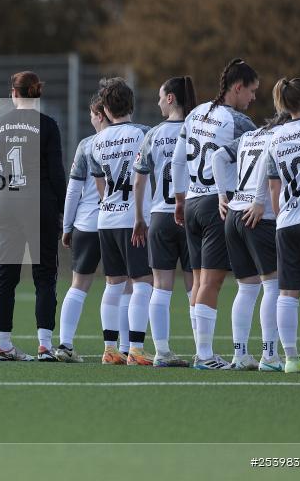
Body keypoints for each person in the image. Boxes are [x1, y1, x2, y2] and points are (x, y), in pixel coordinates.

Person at [173, 58, 258, 369]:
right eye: (251, 91)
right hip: (216, 205)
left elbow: (177, 161)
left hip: (193, 202)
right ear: (237, 87)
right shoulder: (238, 122)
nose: (253, 98)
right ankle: (205, 356)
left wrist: (179, 200)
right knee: (212, 282)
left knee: (198, 281)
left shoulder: (195, 113)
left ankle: (202, 351)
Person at [0, 71, 66, 361]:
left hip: (8, 204)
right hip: (40, 204)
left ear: (13, 93)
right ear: (37, 92)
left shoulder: (0, 125)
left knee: (6, 277)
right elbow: (56, 173)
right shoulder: (48, 125)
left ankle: (3, 344)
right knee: (45, 277)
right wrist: (63, 211)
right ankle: (44, 344)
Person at [211, 111, 288, 371]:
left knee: (246, 289)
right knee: (273, 287)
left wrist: (222, 195)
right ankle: (269, 356)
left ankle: (240, 354)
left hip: (233, 213)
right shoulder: (281, 136)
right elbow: (268, 161)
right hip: (258, 217)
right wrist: (259, 200)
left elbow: (218, 156)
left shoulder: (249, 135)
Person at [86, 78, 154, 366]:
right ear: (131, 104)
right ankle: (136, 349)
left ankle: (110, 348)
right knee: (143, 282)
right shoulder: (143, 133)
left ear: (105, 109)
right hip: (132, 217)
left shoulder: (95, 142)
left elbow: (100, 184)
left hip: (107, 217)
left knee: (113, 284)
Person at [131, 76, 197, 367]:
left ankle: (161, 351)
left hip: (160, 216)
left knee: (160, 286)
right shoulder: (197, 129)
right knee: (196, 284)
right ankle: (202, 351)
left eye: (160, 96)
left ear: (170, 98)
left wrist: (139, 218)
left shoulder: (154, 134)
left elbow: (139, 180)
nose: (158, 102)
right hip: (191, 214)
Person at [263, 77, 300, 373]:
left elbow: (274, 187)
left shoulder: (274, 137)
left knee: (288, 292)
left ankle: (290, 359)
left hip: (286, 222)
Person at [55, 95, 108, 363]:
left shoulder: (87, 145)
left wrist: (67, 226)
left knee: (79, 285)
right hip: (119, 223)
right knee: (124, 285)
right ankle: (121, 347)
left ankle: (65, 343)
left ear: (100, 115)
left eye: (91, 114)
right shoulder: (136, 137)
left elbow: (74, 189)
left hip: (87, 224)